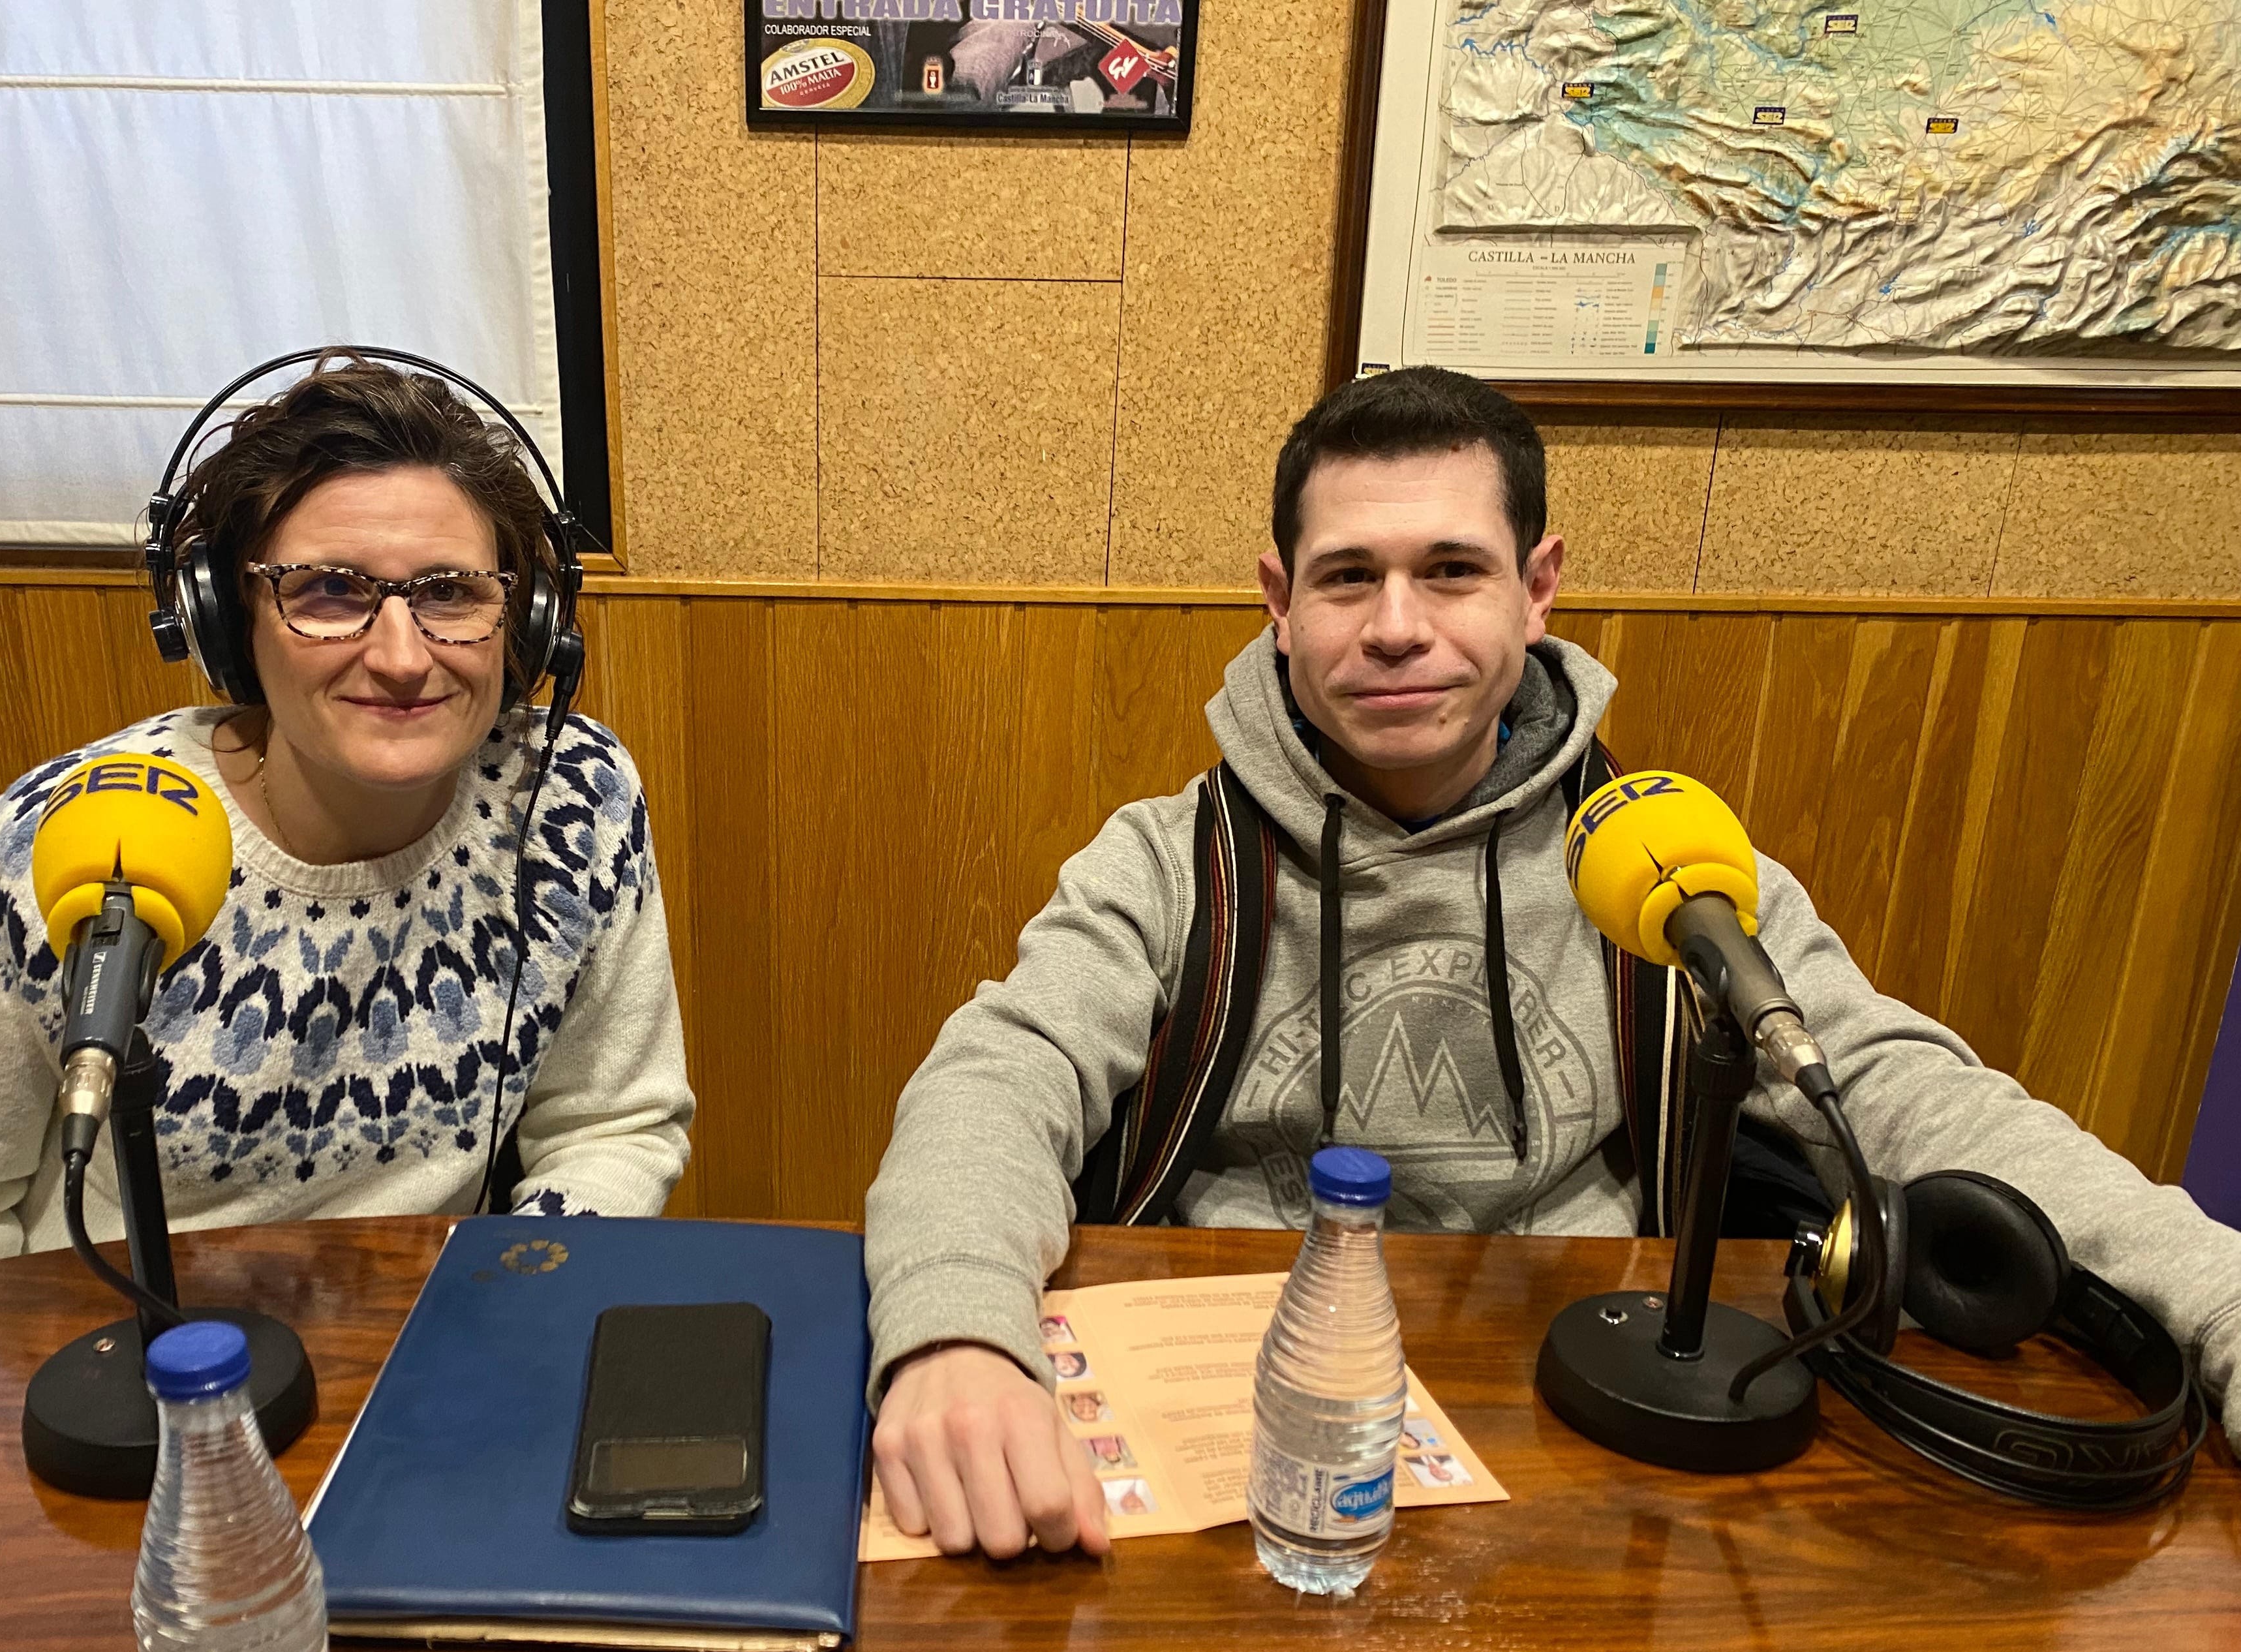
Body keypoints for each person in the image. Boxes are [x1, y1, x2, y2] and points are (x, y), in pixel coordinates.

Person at [862, 365, 2241, 1561]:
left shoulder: (1663, 862)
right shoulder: (1175, 861)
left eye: (1451, 571)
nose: (1396, 625)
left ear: (1538, 588)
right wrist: (956, 1331)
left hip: (1589, 1429)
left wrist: (2224, 1303)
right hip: (1241, 1419)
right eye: (1349, 576)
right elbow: (996, 1079)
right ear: (1281, 603)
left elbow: (1906, 1090)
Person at [0, 356, 692, 1282]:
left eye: (449, 592)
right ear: (226, 619)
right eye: (328, 590)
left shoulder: (568, 794)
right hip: (116, 1362)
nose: (402, 657)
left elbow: (612, 1122)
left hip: (432, 1346)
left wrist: (527, 1303)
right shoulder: (71, 839)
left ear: (527, 622)